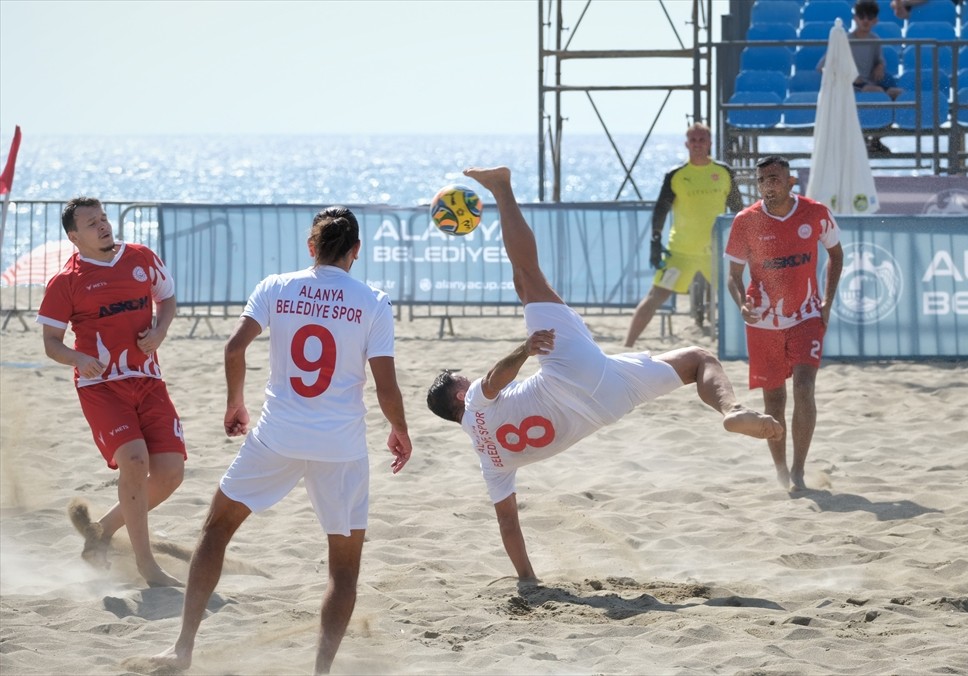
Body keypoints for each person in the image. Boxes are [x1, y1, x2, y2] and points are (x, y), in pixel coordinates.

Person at [425, 166, 783, 582]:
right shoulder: (473, 402)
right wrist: (525, 349)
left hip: (608, 404)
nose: (466, 382)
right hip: (570, 374)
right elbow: (492, 381)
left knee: (694, 359)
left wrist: (527, 578)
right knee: (528, 275)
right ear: (456, 398)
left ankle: (731, 411)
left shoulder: (490, 461)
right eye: (460, 380)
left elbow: (508, 523)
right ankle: (502, 186)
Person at [148, 207, 413, 674]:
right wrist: (400, 431)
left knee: (214, 532)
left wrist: (235, 404)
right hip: (341, 447)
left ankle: (182, 648)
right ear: (355, 251)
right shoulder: (373, 301)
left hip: (276, 437)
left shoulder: (276, 286)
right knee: (343, 571)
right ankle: (321, 672)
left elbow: (234, 348)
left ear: (311, 248)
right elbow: (386, 388)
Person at [37, 197, 187, 588]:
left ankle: (100, 532)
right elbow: (51, 343)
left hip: (148, 379)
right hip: (100, 385)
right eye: (92, 223)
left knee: (170, 475)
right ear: (74, 236)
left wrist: (161, 329)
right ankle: (146, 565)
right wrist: (76, 357)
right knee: (135, 462)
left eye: (103, 218)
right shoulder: (66, 282)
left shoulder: (141, 257)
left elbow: (167, 297)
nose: (103, 225)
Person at [725, 156, 844, 493]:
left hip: (806, 315)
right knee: (773, 401)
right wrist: (741, 304)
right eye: (762, 180)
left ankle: (799, 470)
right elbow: (733, 276)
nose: (768, 185)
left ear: (790, 181)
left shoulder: (815, 213)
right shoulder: (746, 221)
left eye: (775, 178)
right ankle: (780, 471)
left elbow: (837, 255)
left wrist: (828, 301)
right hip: (763, 321)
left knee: (805, 386)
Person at [623, 123, 743, 347]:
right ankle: (627, 344)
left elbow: (739, 210)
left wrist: (745, 242)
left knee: (739, 297)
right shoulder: (676, 175)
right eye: (693, 140)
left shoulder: (723, 172)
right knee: (655, 297)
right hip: (681, 253)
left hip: (716, 253)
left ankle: (750, 345)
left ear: (709, 143)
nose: (698, 144)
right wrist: (655, 241)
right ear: (687, 144)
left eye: (702, 140)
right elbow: (661, 210)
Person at [818, 1, 901, 155]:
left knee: (899, 94)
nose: (865, 20)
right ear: (855, 18)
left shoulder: (875, 40)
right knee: (874, 91)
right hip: (849, 86)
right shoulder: (844, 41)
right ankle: (862, 137)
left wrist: (880, 65)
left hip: (869, 84)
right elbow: (823, 67)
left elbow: (879, 60)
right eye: (862, 16)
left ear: (875, 20)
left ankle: (876, 138)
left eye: (870, 17)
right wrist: (846, 77)